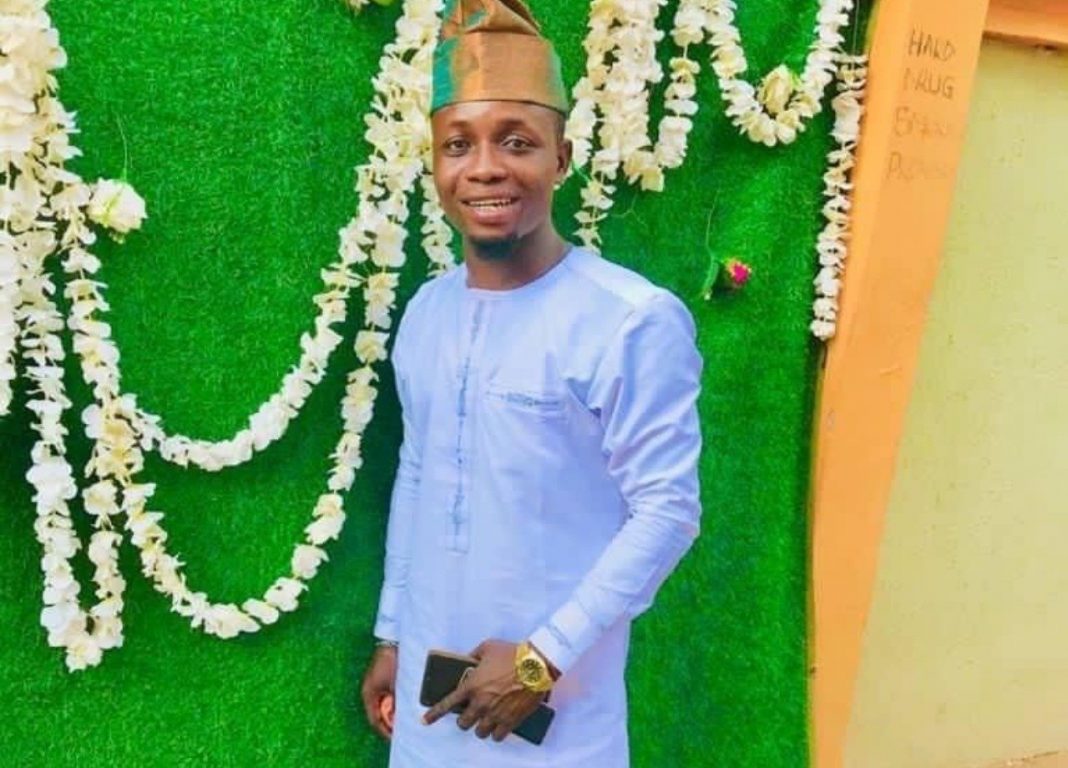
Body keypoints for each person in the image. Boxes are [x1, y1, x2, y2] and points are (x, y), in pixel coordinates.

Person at [359, 1, 703, 765]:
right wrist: (393, 636)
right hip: (428, 706)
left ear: (562, 157)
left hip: (557, 717)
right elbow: (418, 476)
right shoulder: (427, 313)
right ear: (435, 164)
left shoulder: (629, 320)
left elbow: (667, 513)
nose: (485, 167)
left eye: (516, 141)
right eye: (459, 144)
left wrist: (538, 660)